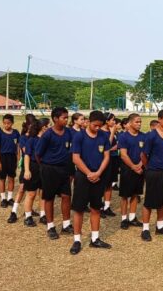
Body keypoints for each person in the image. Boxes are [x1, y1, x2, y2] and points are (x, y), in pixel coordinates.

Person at [69, 110, 112, 254]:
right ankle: (77, 240)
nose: (97, 128)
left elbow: (106, 156)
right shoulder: (79, 136)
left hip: (98, 177)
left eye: (100, 126)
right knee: (79, 209)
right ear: (88, 122)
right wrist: (88, 173)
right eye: (95, 125)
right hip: (83, 177)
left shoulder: (104, 136)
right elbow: (76, 158)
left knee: (96, 208)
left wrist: (98, 172)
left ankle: (95, 238)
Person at [35, 107, 74, 239]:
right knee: (49, 197)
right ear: (55, 119)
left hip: (64, 169)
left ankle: (66, 224)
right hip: (49, 169)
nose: (66, 120)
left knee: (66, 196)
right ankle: (50, 226)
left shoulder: (69, 133)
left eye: (67, 117)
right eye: (64, 117)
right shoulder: (48, 135)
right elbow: (38, 154)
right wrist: (46, 167)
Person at [140, 110, 163, 241]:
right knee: (149, 201)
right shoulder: (151, 136)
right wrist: (149, 167)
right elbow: (143, 155)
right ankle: (145, 229)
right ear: (160, 119)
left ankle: (160, 226)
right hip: (153, 172)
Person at [117, 113, 146, 230]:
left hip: (139, 169)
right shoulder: (123, 137)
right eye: (137, 122)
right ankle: (124, 218)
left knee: (135, 193)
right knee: (125, 195)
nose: (139, 124)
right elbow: (123, 155)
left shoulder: (143, 136)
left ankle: (132, 217)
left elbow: (144, 153)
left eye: (140, 122)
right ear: (130, 123)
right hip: (127, 169)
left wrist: (140, 165)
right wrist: (134, 167)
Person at [22, 118, 49, 227]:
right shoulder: (32, 140)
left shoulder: (47, 139)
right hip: (33, 167)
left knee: (43, 193)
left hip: (45, 167)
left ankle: (43, 215)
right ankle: (28, 216)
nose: (50, 127)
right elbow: (27, 155)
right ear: (44, 127)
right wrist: (27, 170)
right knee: (31, 193)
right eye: (49, 125)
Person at [0, 114, 20, 208]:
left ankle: (9, 198)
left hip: (12, 157)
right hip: (2, 157)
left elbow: (18, 145)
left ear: (12, 123)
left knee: (11, 178)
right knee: (2, 178)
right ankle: (3, 198)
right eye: (5, 123)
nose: (7, 125)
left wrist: (18, 157)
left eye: (9, 123)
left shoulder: (16, 133)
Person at [100, 113, 119, 218]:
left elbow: (115, 144)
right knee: (102, 184)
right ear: (106, 121)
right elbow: (107, 145)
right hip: (104, 160)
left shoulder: (112, 131)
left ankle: (107, 206)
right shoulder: (101, 132)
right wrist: (112, 133)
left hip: (113, 159)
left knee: (109, 183)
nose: (114, 122)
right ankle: (99, 206)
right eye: (112, 120)